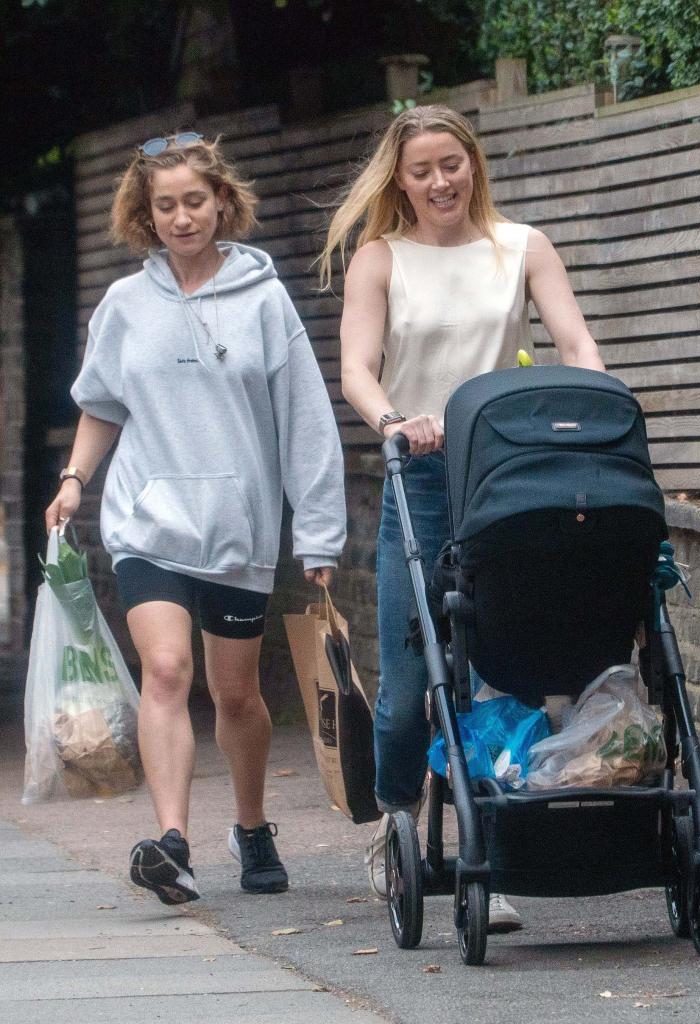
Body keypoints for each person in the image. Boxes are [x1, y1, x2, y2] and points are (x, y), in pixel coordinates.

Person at [319, 104, 606, 934]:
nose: (441, 180)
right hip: (424, 475)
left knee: (501, 670)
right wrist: (395, 422)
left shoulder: (523, 248)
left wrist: (589, 396)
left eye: (453, 163)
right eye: (422, 170)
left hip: (511, 474)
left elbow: (577, 344)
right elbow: (357, 369)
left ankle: (495, 850)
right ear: (399, 181)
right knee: (411, 689)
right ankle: (396, 823)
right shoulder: (380, 260)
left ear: (473, 163)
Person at [45, 132, 346, 906]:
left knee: (237, 695)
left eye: (193, 202)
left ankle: (251, 827)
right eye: (165, 205)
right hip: (149, 522)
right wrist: (76, 478)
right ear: (146, 215)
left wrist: (318, 532)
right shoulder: (124, 304)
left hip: (239, 530)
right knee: (168, 670)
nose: (182, 217)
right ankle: (173, 844)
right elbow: (100, 405)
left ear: (222, 203)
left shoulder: (264, 299)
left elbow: (306, 423)